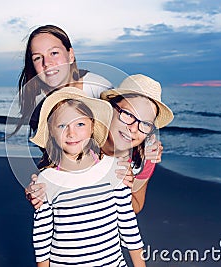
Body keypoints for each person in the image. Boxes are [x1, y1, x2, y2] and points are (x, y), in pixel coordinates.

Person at [30, 87, 145, 266]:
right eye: (62, 125)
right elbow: (42, 240)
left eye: (80, 124)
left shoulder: (115, 169)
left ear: (92, 126)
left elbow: (129, 226)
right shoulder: (47, 180)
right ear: (51, 132)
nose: (71, 133)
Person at [27, 74, 173, 214]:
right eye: (128, 114)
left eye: (146, 123)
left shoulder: (144, 158)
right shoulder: (79, 141)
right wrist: (39, 190)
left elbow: (137, 206)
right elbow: (52, 181)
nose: (134, 129)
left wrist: (125, 184)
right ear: (110, 108)